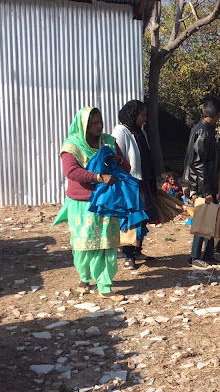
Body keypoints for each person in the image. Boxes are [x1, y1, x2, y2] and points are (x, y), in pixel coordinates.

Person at [57, 106, 130, 301]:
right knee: (83, 244)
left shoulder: (108, 142)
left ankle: (105, 285)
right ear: (83, 125)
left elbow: (126, 167)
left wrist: (118, 160)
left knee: (106, 245)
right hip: (83, 203)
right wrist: (98, 177)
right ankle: (85, 277)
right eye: (93, 123)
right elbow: (71, 171)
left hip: (107, 202)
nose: (99, 126)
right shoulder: (72, 145)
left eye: (100, 122)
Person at [112, 100, 158, 270]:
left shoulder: (140, 132)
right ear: (133, 114)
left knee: (143, 217)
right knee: (131, 219)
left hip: (143, 181)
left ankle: (137, 250)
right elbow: (118, 158)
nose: (144, 118)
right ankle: (128, 255)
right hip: (129, 183)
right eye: (142, 115)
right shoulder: (121, 132)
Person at [183, 95, 220, 269]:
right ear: (218, 115)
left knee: (211, 217)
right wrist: (206, 190)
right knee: (202, 218)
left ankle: (208, 254)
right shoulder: (203, 132)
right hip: (202, 183)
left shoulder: (204, 130)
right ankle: (194, 257)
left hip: (206, 180)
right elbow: (198, 163)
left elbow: (206, 159)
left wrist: (218, 167)